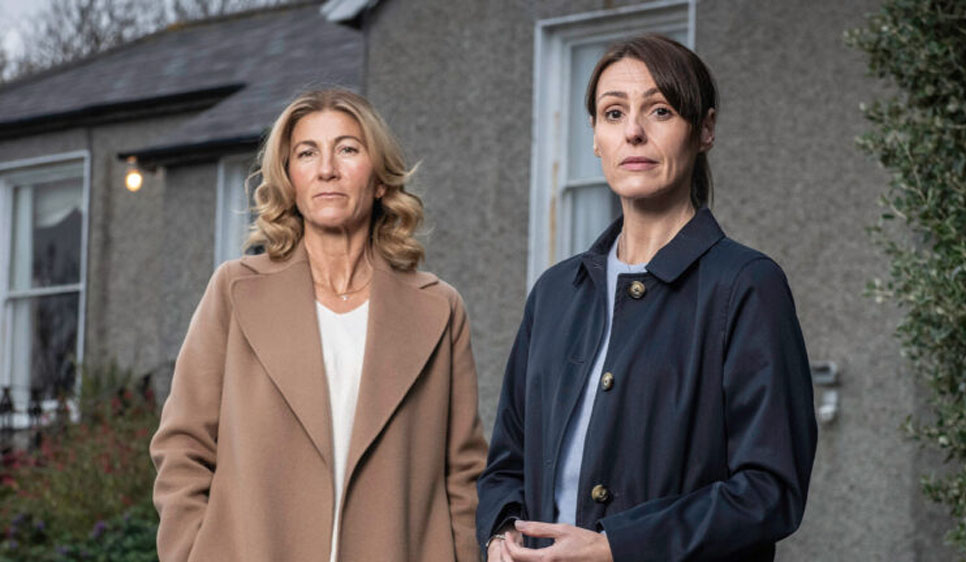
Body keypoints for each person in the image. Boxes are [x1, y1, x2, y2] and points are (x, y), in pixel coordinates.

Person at [476, 34, 817, 562]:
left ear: (704, 129)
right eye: (613, 113)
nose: (633, 131)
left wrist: (617, 547)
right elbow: (506, 463)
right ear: (595, 137)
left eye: (660, 111)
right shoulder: (555, 293)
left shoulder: (746, 285)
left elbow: (770, 490)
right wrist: (501, 534)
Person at [151, 88, 487, 562]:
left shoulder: (439, 309)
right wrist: (192, 552)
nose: (327, 169)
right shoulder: (235, 291)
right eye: (307, 153)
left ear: (379, 179)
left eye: (347, 149)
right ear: (290, 178)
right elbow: (184, 446)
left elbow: (464, 474)